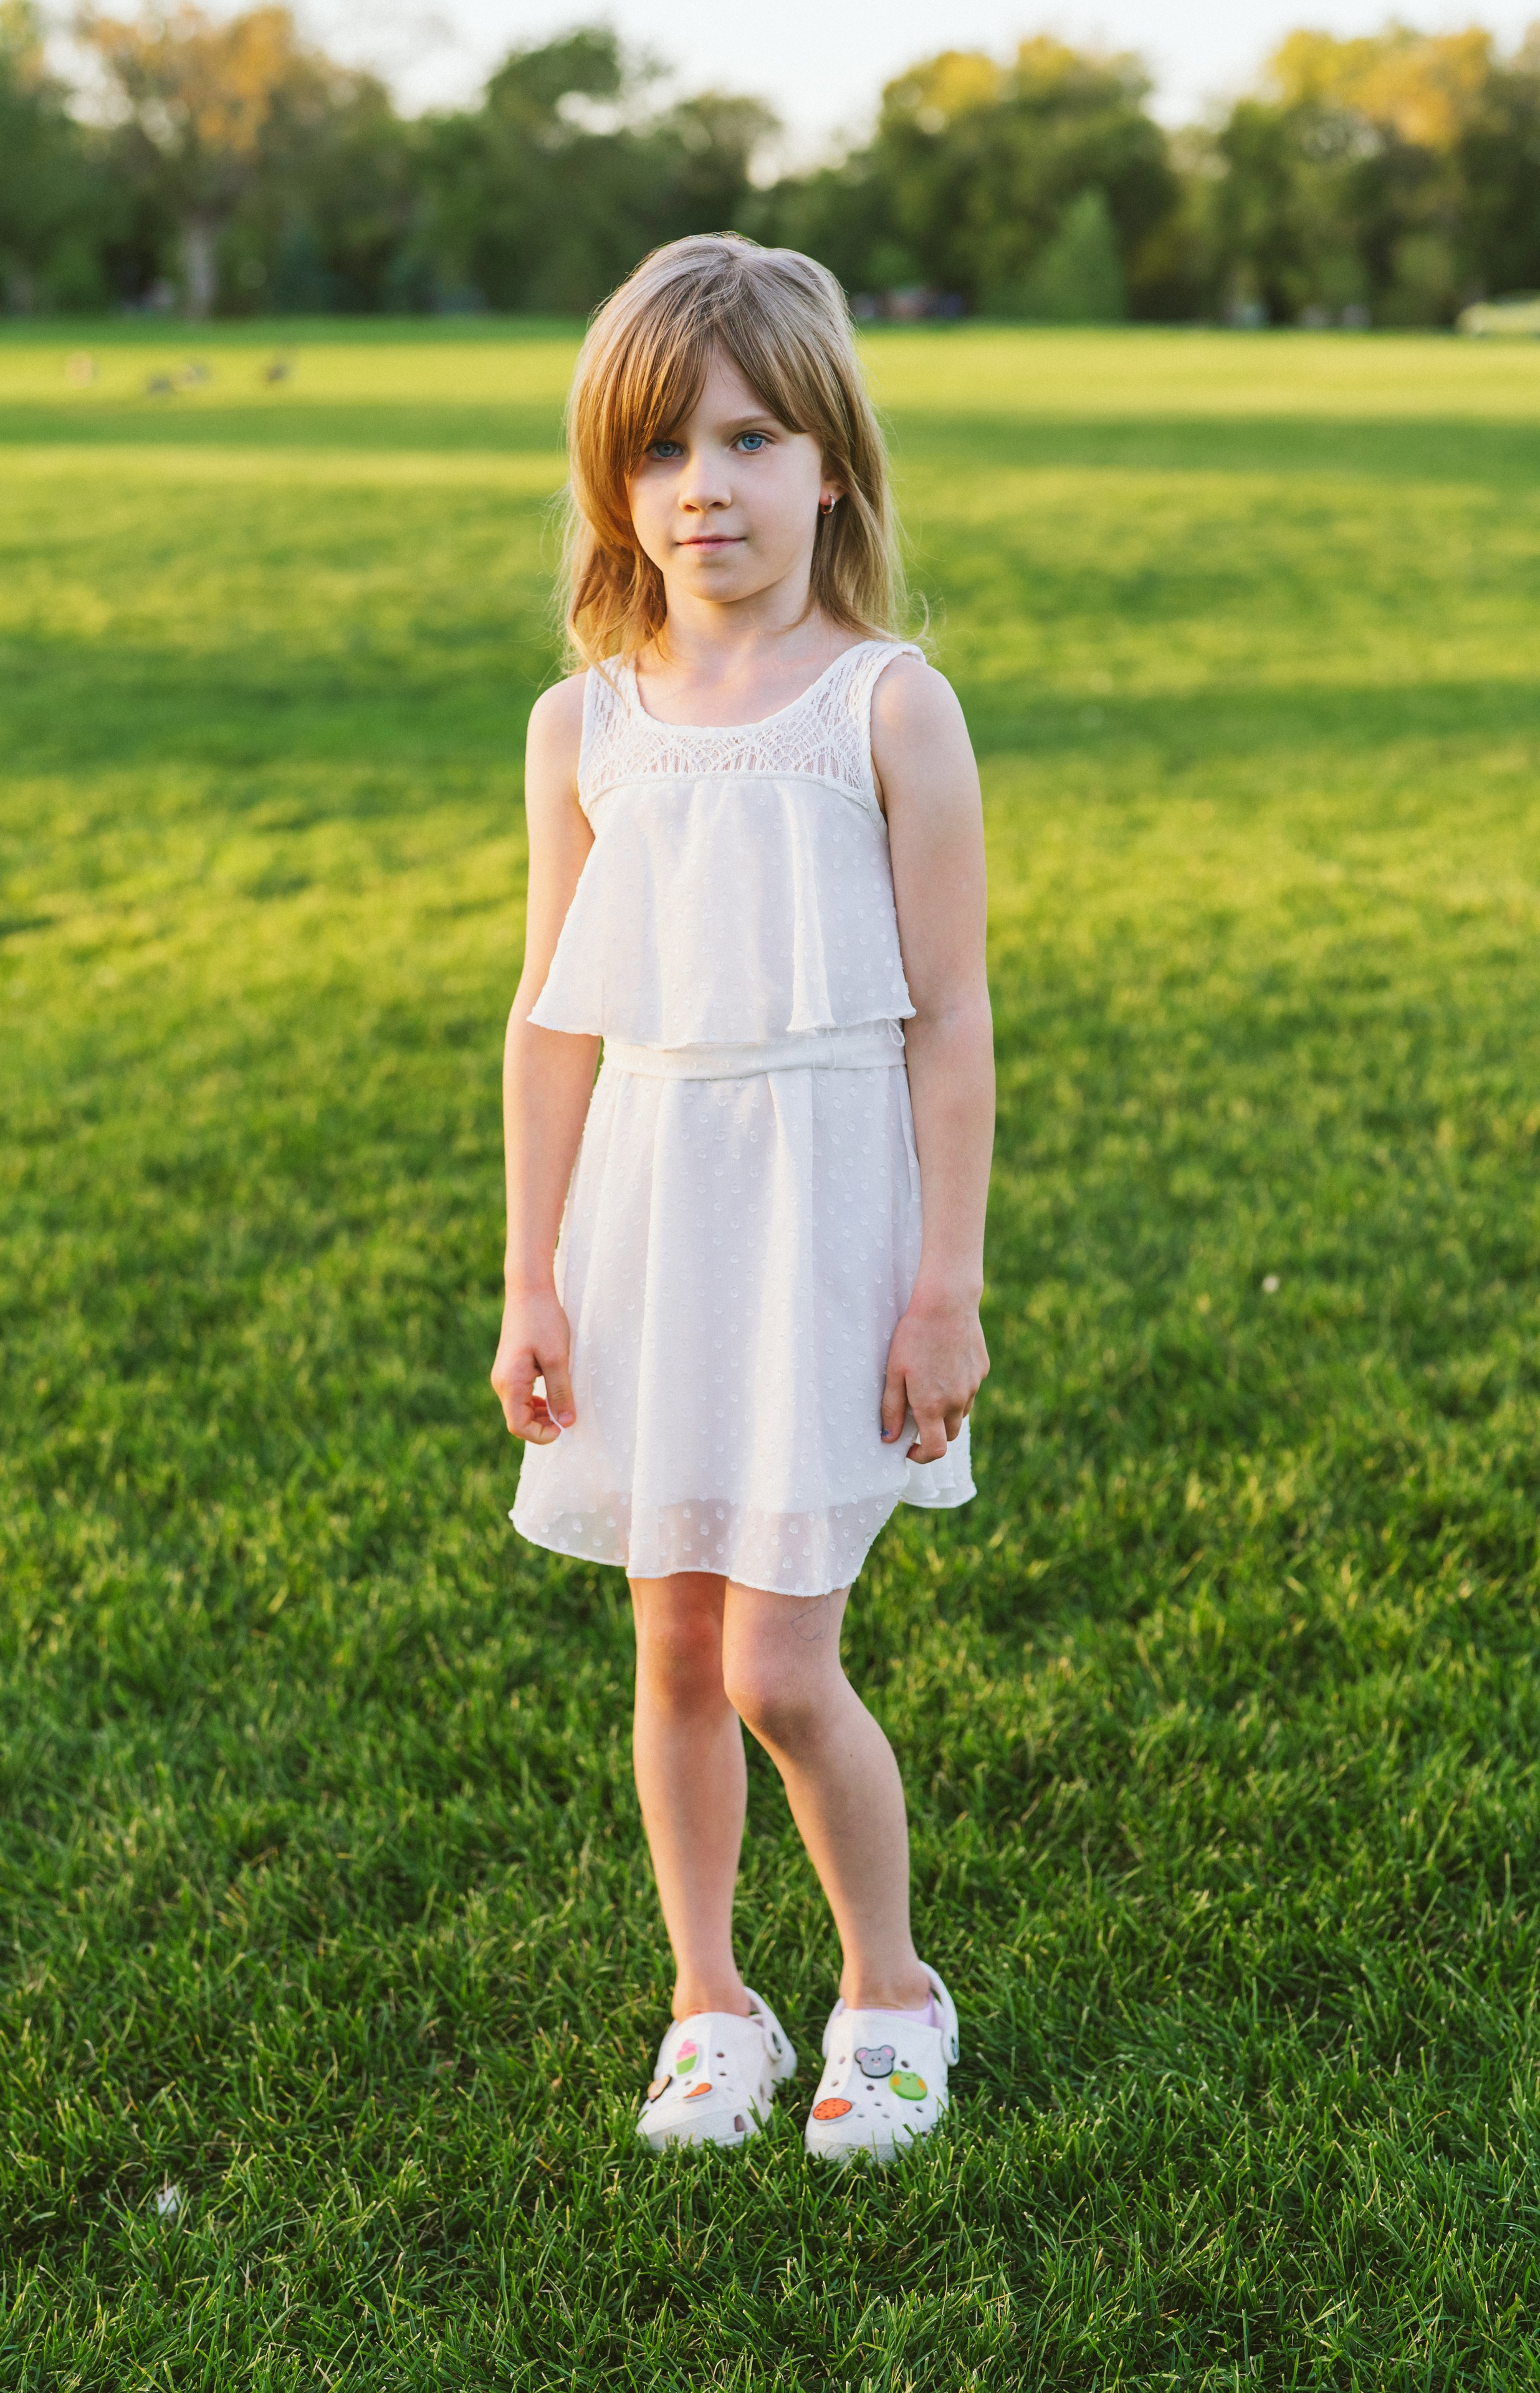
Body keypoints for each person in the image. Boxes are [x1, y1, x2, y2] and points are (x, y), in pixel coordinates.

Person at [491, 234, 994, 2164]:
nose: (706, 484)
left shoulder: (885, 706)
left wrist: (943, 1285)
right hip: (648, 1218)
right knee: (674, 1654)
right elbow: (552, 1025)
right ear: (616, 488)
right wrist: (530, 1277)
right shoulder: (582, 728)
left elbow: (949, 1022)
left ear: (832, 466)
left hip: (824, 1215)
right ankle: (712, 1998)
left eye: (753, 438)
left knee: (786, 1661)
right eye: (662, 451)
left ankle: (889, 1987)